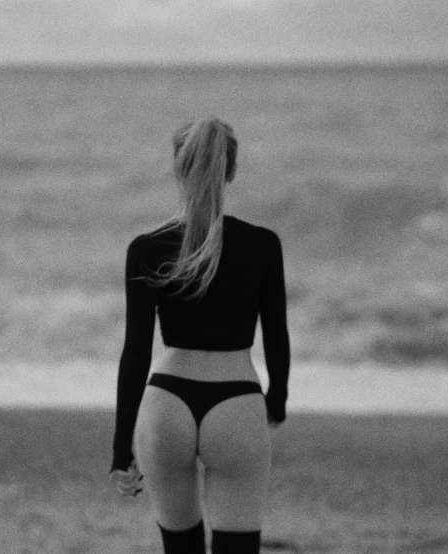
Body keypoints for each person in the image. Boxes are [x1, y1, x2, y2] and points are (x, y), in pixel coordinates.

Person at [110, 117, 290, 554]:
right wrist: (276, 402)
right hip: (236, 402)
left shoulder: (146, 248)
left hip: (166, 402)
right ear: (230, 171)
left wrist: (120, 450)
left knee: (180, 549)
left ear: (178, 167)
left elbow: (135, 352)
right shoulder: (263, 245)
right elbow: (277, 338)